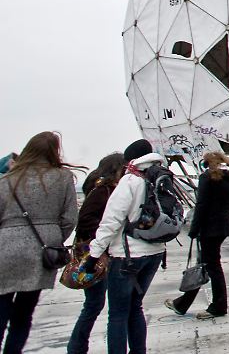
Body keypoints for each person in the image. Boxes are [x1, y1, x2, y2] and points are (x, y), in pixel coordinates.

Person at [85, 139, 170, 354]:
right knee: (135, 307)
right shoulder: (161, 177)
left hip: (127, 255)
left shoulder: (130, 180)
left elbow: (111, 221)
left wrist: (94, 255)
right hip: (155, 251)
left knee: (118, 314)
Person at [0, 131, 80, 354]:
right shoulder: (63, 178)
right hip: (42, 251)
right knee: (24, 313)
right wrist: (53, 238)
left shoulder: (6, 180)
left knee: (1, 308)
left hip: (5, 249)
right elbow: (69, 219)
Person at [164, 152, 229, 319]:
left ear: (207, 163)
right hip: (222, 227)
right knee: (205, 264)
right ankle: (182, 304)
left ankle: (218, 306)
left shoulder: (207, 178)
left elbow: (201, 205)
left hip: (208, 228)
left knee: (212, 266)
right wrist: (224, 214)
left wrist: (194, 229)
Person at [66, 152, 126, 354]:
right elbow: (84, 220)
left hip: (99, 251)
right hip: (96, 253)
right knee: (94, 303)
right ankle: (76, 347)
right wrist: (105, 235)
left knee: (94, 304)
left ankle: (77, 346)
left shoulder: (101, 188)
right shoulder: (103, 191)